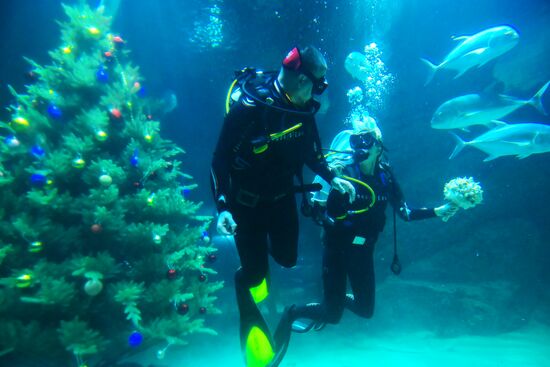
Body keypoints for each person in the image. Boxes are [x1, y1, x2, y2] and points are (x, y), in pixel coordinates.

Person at [210, 46, 356, 367]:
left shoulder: (304, 111)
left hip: (281, 201)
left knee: (288, 259)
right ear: (301, 80)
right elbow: (219, 161)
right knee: (254, 275)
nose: (318, 92)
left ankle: (258, 273)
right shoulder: (249, 108)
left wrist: (333, 177)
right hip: (245, 208)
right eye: (317, 85)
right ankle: (247, 285)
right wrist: (222, 208)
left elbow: (311, 152)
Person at [272, 116, 459, 359]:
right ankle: (293, 313)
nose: (360, 145)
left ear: (379, 145)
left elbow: (404, 212)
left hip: (363, 252)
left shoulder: (386, 176)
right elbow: (320, 214)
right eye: (356, 140)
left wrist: (438, 212)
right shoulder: (342, 172)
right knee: (333, 315)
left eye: (366, 140)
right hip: (337, 249)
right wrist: (336, 208)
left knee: (365, 309)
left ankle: (335, 301)